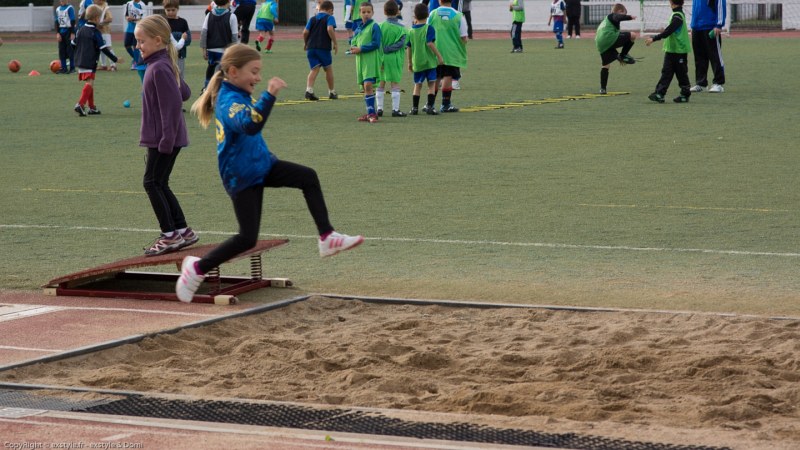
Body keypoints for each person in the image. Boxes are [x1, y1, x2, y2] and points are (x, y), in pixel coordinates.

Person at [181, 44, 364, 302]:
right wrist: (269, 94)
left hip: (262, 165)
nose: (258, 77)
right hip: (241, 176)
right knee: (247, 238)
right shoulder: (228, 101)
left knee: (307, 177)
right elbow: (250, 125)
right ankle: (197, 268)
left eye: (259, 72)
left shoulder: (236, 92)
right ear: (233, 72)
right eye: (253, 72)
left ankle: (327, 237)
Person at [134, 15, 195, 256]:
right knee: (159, 182)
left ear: (158, 40)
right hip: (164, 137)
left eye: (141, 41)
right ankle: (183, 230)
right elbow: (186, 92)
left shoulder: (158, 68)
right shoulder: (162, 65)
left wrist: (166, 140)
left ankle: (169, 235)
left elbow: (171, 107)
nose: (138, 46)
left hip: (164, 138)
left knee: (151, 182)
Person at [73, 4, 118, 116]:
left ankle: (92, 108)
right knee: (90, 83)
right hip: (90, 61)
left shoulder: (81, 29)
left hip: (80, 60)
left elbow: (73, 44)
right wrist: (115, 59)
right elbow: (104, 49)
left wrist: (79, 53)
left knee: (90, 83)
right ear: (96, 18)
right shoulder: (95, 32)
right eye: (100, 17)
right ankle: (80, 104)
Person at [645, 0, 691, 103]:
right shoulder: (676, 14)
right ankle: (659, 94)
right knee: (666, 72)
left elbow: (668, 31)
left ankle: (685, 94)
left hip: (679, 50)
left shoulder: (678, 16)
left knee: (681, 73)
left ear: (672, 2)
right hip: (671, 50)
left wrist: (654, 38)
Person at [428, 0, 467, 113]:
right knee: (448, 76)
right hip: (451, 52)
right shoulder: (458, 15)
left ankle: (430, 104)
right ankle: (445, 104)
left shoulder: (433, 14)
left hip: (435, 51)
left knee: (436, 77)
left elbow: (427, 30)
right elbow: (464, 37)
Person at [406, 2, 443, 115]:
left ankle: (415, 108)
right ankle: (430, 107)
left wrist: (409, 62)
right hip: (430, 62)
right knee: (431, 84)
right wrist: (439, 56)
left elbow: (409, 47)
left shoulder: (411, 31)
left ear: (414, 16)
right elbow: (430, 43)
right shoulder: (429, 28)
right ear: (427, 15)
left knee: (418, 85)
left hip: (417, 62)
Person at [594, 3, 637, 94]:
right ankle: (622, 55)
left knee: (606, 65)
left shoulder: (607, 21)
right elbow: (617, 17)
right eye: (623, 14)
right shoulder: (612, 16)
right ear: (619, 11)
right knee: (633, 35)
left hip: (600, 43)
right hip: (608, 38)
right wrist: (630, 17)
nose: (623, 16)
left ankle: (603, 89)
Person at [350, 2, 382, 123]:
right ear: (359, 13)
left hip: (371, 60)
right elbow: (354, 41)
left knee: (368, 85)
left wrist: (361, 49)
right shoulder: (358, 27)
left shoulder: (375, 26)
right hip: (361, 61)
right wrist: (352, 47)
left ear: (372, 13)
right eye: (363, 12)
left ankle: (372, 114)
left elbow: (376, 43)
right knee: (365, 87)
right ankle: (370, 113)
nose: (366, 14)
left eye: (368, 12)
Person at [377, 0, 408, 117]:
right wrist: (390, 48)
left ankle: (379, 109)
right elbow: (401, 44)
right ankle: (395, 110)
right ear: (398, 11)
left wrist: (384, 49)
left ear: (384, 12)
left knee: (381, 82)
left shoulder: (379, 26)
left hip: (381, 58)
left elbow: (377, 41)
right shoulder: (402, 28)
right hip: (395, 59)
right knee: (394, 83)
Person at [303, 0, 338, 101]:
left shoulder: (312, 18)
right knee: (328, 69)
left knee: (314, 69)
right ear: (330, 10)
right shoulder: (330, 17)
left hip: (311, 48)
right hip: (323, 48)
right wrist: (335, 42)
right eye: (332, 11)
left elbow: (305, 32)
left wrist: (306, 43)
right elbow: (329, 29)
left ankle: (309, 90)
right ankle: (331, 92)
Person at [200, 0, 239, 89]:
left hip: (211, 50)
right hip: (225, 51)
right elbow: (234, 36)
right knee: (224, 71)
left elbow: (203, 33)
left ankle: (206, 88)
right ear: (228, 2)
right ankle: (222, 91)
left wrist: (203, 49)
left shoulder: (209, 15)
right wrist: (234, 52)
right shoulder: (232, 16)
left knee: (210, 68)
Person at [690, 0, 726, 92]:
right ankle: (701, 83)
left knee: (715, 56)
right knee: (699, 57)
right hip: (697, 26)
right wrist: (693, 25)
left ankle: (718, 83)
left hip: (710, 26)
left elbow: (720, 4)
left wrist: (719, 25)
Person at [164, 0, 191, 80]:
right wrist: (180, 37)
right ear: (164, 9)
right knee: (168, 77)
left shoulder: (183, 22)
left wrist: (177, 42)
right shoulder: (163, 21)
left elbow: (188, 39)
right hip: (165, 55)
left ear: (177, 9)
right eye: (168, 10)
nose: (170, 12)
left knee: (180, 76)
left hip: (180, 55)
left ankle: (181, 92)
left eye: (173, 10)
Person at [94, 0, 120, 71]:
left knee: (108, 47)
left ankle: (113, 65)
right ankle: (103, 65)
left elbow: (110, 18)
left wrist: (101, 23)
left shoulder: (105, 7)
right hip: (98, 31)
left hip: (104, 30)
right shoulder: (96, 6)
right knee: (101, 47)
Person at [55, 0, 76, 74]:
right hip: (61, 32)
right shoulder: (57, 9)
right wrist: (58, 33)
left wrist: (72, 32)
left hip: (68, 31)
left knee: (70, 50)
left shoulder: (70, 8)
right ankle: (63, 68)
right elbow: (57, 21)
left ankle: (72, 68)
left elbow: (73, 20)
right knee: (61, 51)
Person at [123, 0, 145, 70]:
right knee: (127, 45)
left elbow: (143, 18)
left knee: (136, 46)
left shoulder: (142, 5)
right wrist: (127, 18)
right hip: (129, 29)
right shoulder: (128, 3)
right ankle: (135, 59)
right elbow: (126, 15)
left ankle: (136, 62)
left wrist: (134, 19)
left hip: (138, 28)